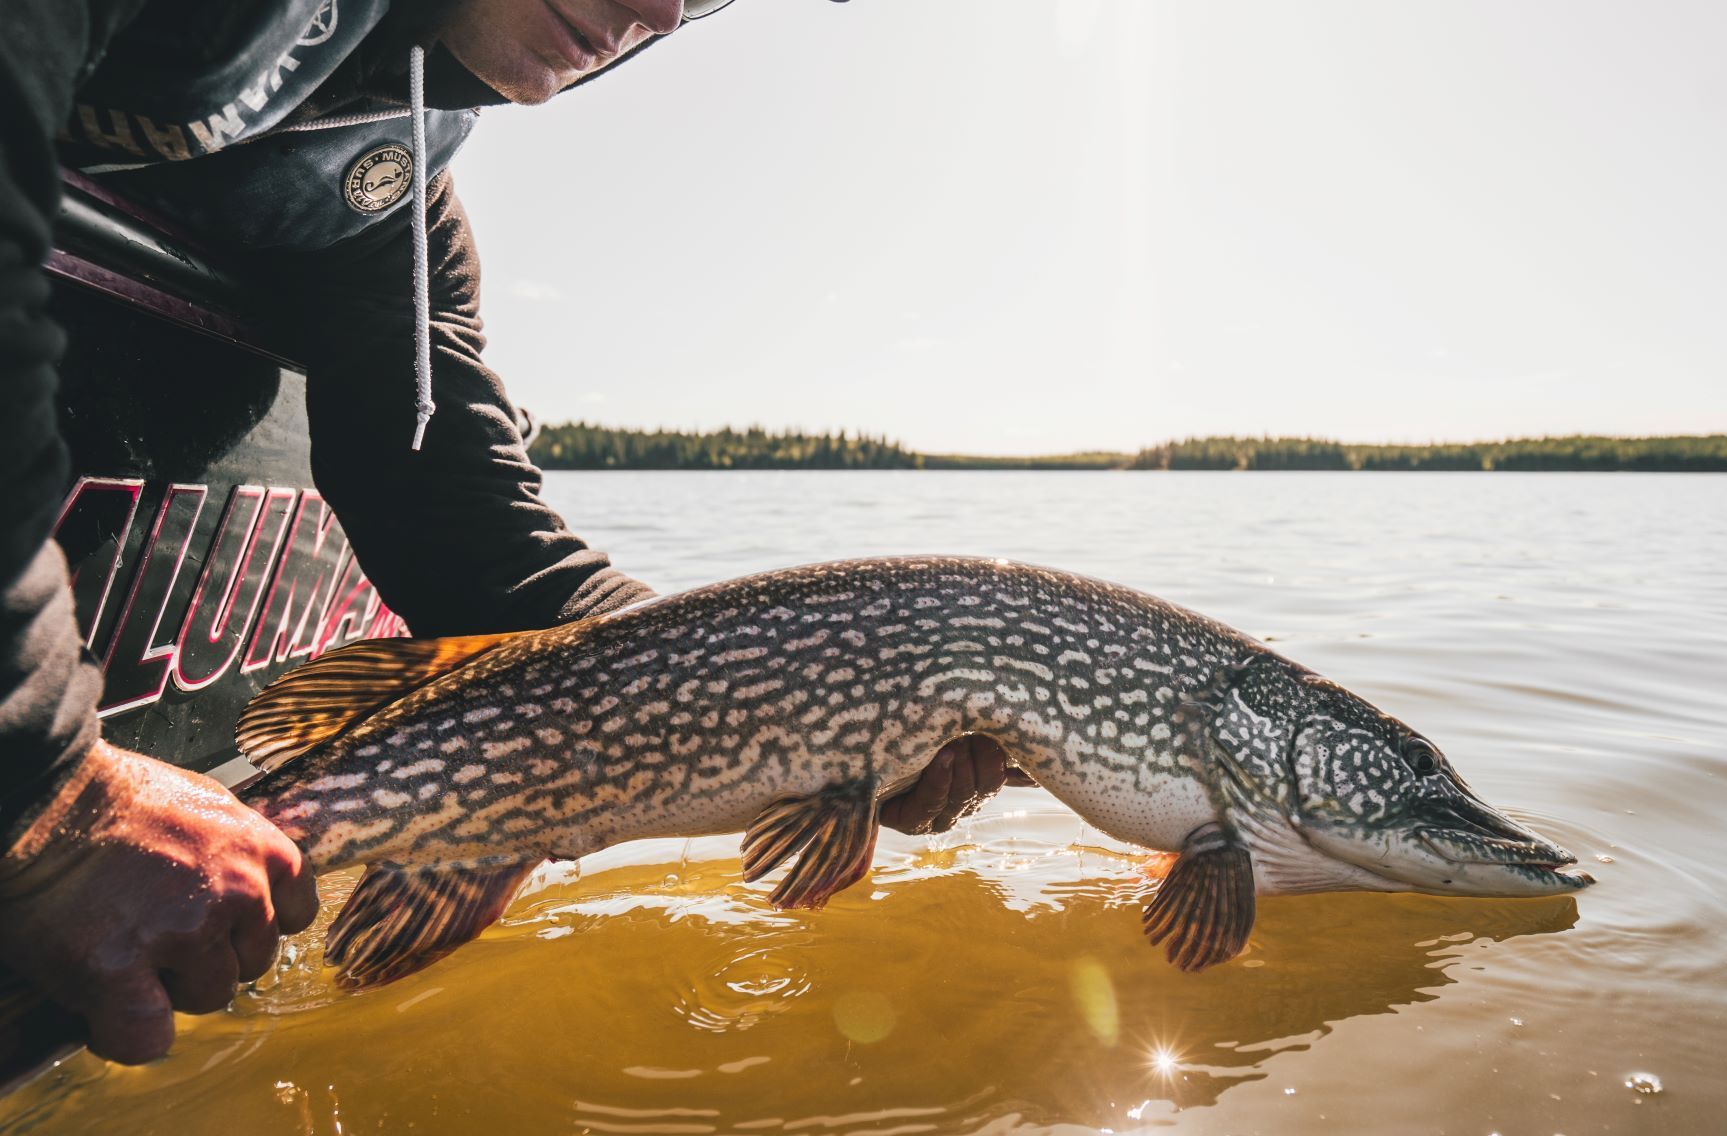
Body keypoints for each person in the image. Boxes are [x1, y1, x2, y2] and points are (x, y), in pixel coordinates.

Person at [0, 0, 1015, 1069]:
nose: (660, 12)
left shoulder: (383, 165)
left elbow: (466, 526)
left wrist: (815, 704)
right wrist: (48, 793)